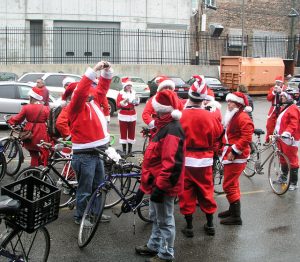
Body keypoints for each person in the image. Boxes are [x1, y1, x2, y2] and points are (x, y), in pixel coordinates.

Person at [135, 89, 185, 262]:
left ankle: (166, 253)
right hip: (156, 183)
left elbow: (171, 164)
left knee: (165, 220)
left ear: (160, 109)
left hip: (163, 185)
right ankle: (154, 245)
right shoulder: (163, 126)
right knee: (157, 218)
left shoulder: (172, 129)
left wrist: (160, 188)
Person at [68, 61, 113, 225]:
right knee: (85, 190)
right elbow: (80, 91)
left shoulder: (93, 103)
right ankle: (80, 217)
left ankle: (95, 213)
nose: (90, 93)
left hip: (97, 153)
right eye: (87, 91)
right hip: (85, 155)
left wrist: (106, 72)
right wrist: (94, 70)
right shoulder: (76, 108)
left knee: (98, 187)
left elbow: (102, 89)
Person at [179, 77, 223, 237]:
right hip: (205, 160)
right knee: (206, 191)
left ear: (190, 97)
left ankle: (189, 227)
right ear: (203, 99)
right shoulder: (211, 116)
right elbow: (219, 137)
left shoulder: (181, 116)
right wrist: (214, 152)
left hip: (187, 160)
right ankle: (210, 224)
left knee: (186, 192)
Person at [218, 92, 254, 225]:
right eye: (228, 102)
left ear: (239, 104)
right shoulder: (235, 115)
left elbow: (247, 137)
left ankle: (236, 216)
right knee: (233, 184)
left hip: (236, 157)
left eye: (231, 102)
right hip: (232, 154)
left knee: (228, 185)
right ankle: (232, 210)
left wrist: (234, 150)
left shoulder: (242, 117)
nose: (228, 104)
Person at [8, 87, 50, 166]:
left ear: (31, 97)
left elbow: (18, 119)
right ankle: (42, 166)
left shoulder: (26, 107)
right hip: (42, 132)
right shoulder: (45, 108)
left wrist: (10, 121)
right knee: (43, 150)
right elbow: (49, 120)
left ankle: (34, 170)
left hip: (30, 133)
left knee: (33, 153)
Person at [274, 90, 300, 191]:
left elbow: (294, 123)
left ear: (289, 98)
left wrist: (287, 132)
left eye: (283, 97)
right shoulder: (285, 107)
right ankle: (283, 178)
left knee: (292, 160)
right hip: (281, 138)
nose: (281, 98)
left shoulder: (293, 108)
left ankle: (294, 182)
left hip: (289, 139)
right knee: (282, 158)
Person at [117, 77, 140, 155]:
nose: (129, 87)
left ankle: (130, 151)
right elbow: (118, 104)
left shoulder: (134, 93)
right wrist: (124, 101)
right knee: (123, 132)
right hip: (123, 114)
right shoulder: (121, 93)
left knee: (131, 132)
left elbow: (136, 104)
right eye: (128, 85)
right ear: (125, 86)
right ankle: (124, 151)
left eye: (130, 85)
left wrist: (136, 101)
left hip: (132, 114)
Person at [265, 76, 286, 143]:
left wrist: (281, 92)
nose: (277, 84)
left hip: (282, 109)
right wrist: (274, 92)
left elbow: (289, 98)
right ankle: (269, 141)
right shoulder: (272, 88)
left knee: (282, 126)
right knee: (269, 126)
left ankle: (280, 142)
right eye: (276, 82)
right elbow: (268, 98)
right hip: (273, 109)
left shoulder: (285, 88)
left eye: (279, 82)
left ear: (282, 83)